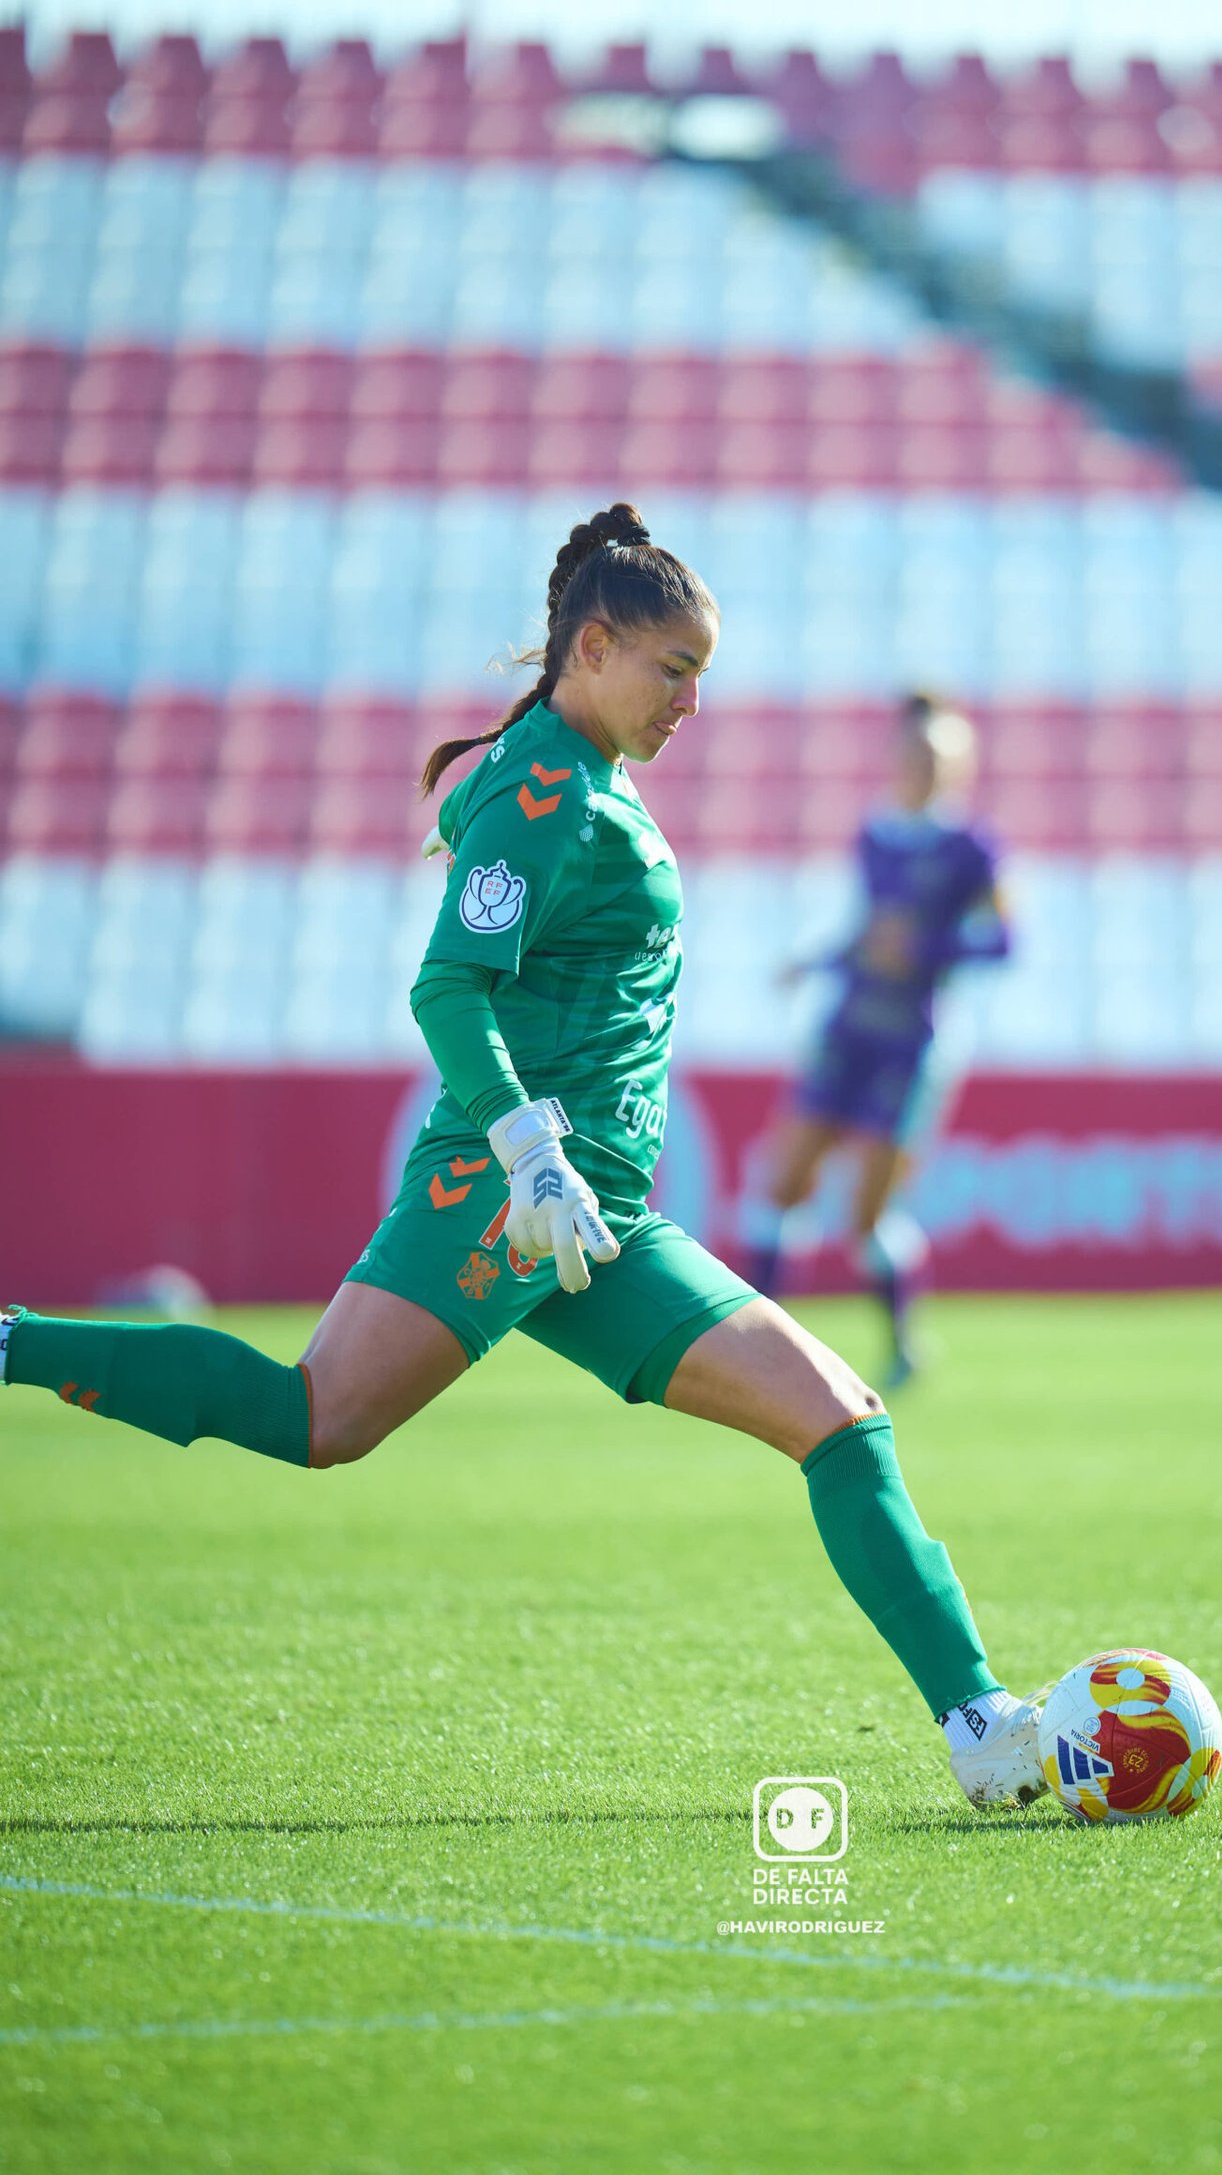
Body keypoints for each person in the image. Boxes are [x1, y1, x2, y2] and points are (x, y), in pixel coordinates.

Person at [1, 505, 1045, 1809]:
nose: (691, 705)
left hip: (596, 1221)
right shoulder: (543, 786)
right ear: (594, 647)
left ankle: (983, 1727)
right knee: (316, 1420)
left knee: (841, 1422)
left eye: (703, 678)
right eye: (675, 671)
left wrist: (566, 1177)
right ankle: (10, 1344)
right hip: (505, 1201)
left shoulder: (592, 781)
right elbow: (449, 985)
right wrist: (525, 1154)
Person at [744, 693, 1009, 1387]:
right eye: (912, 752)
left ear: (959, 765)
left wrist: (925, 950)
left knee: (865, 1217)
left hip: (912, 1040)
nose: (921, 765)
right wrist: (817, 961)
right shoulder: (875, 837)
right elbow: (868, 931)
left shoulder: (972, 848)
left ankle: (903, 1343)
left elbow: (1002, 941)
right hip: (849, 1022)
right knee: (785, 1180)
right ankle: (755, 1349)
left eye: (935, 755)